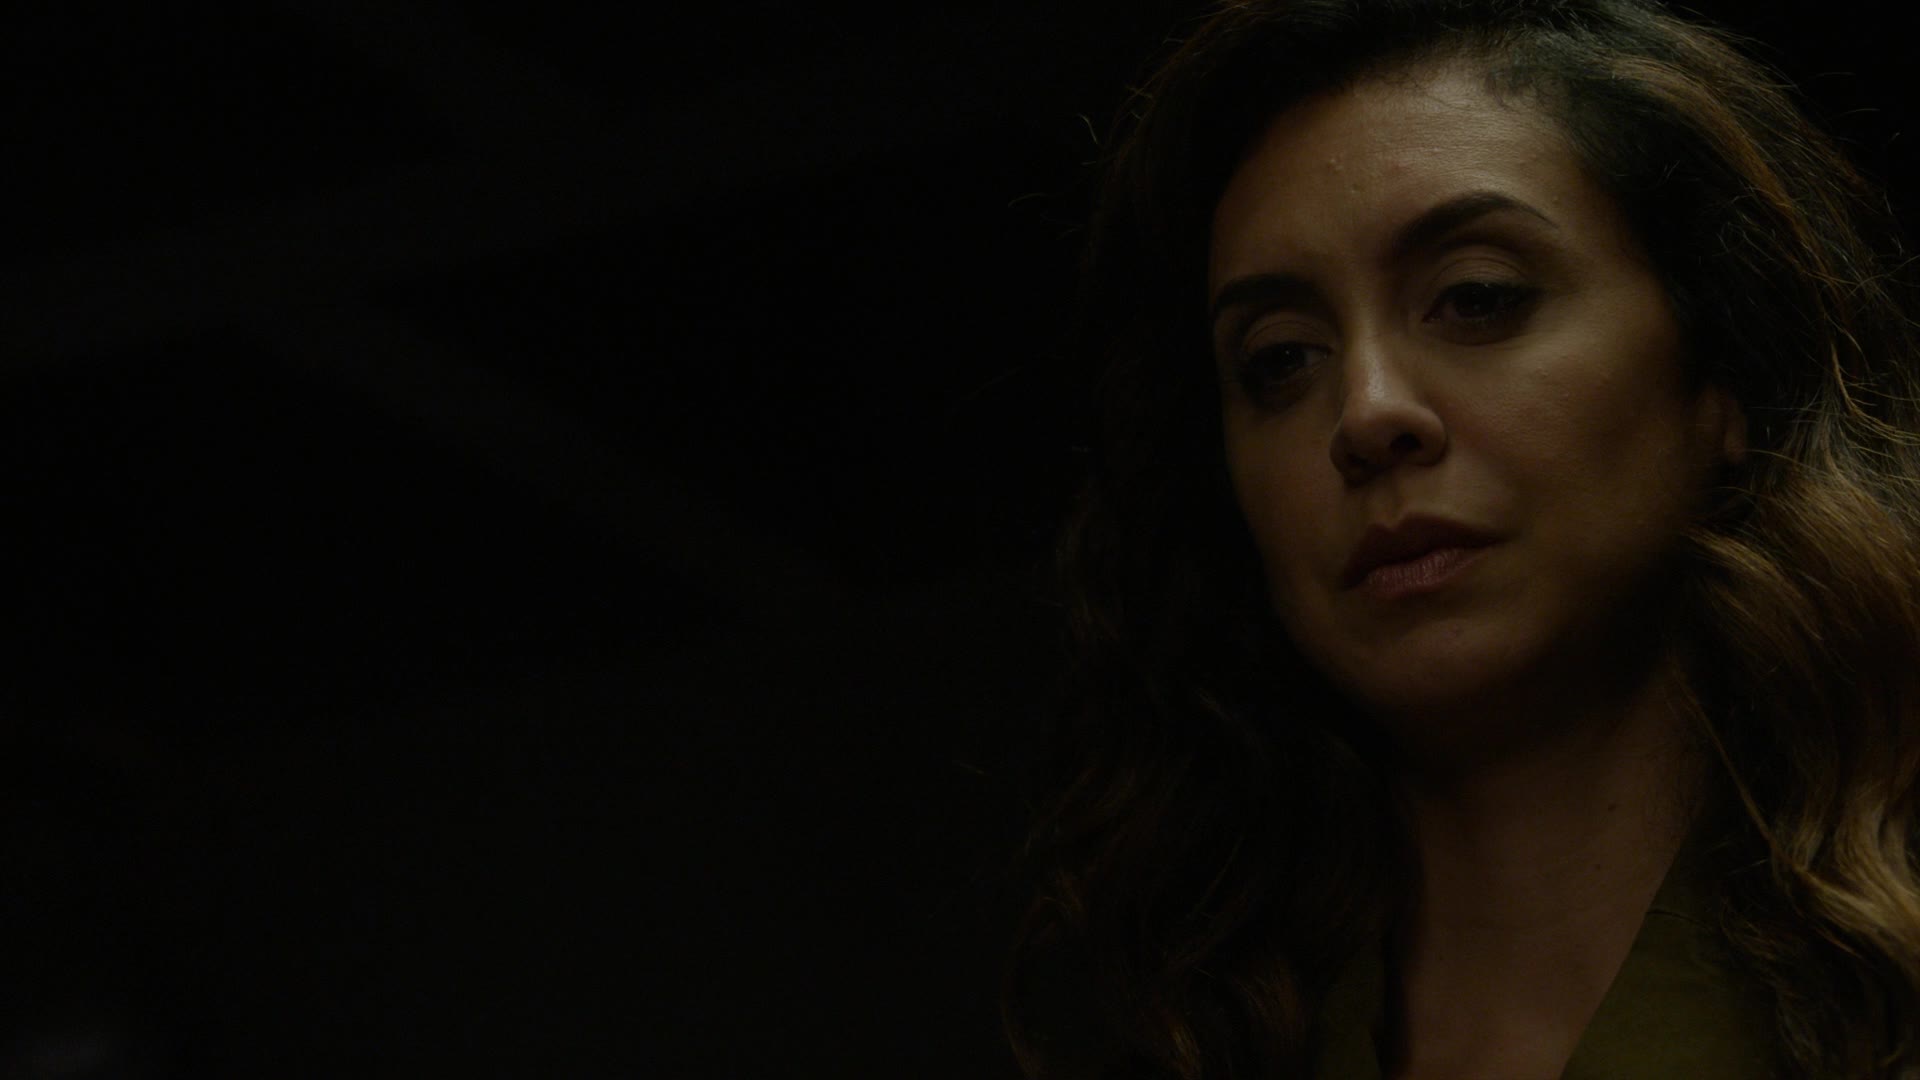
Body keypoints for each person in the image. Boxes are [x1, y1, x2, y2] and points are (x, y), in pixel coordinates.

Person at [1002, 1, 1920, 1076]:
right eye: (1280, 360)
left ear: (1724, 375)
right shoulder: (1181, 1027)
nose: (1366, 414)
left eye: (1476, 298)